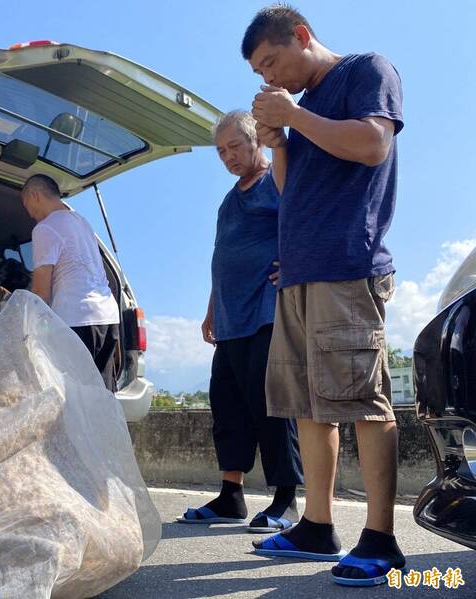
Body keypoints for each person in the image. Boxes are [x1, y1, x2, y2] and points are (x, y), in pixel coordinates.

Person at [242, 4, 405, 587]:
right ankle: (316, 525)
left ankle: (382, 539)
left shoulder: (366, 70)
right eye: (260, 71)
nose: (270, 77)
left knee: (364, 399)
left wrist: (293, 116)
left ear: (301, 36)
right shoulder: (303, 109)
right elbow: (290, 192)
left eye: (272, 61)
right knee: (309, 404)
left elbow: (371, 145)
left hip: (346, 266)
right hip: (301, 274)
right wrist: (280, 142)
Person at [179, 111, 303, 533]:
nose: (228, 156)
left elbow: (303, 222)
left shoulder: (276, 181)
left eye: (235, 146)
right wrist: (212, 310)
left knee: (270, 405)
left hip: (266, 312)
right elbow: (222, 256)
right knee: (227, 406)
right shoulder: (229, 200)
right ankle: (231, 496)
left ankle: (286, 500)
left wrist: (296, 262)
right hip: (230, 319)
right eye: (221, 151)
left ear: (257, 143)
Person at [21, 174, 120, 391]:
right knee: (102, 395)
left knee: (74, 398)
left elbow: (40, 291)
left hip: (76, 319)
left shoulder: (45, 228)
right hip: (108, 316)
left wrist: (25, 328)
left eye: (28, 206)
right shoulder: (82, 222)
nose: (30, 214)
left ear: (35, 195)